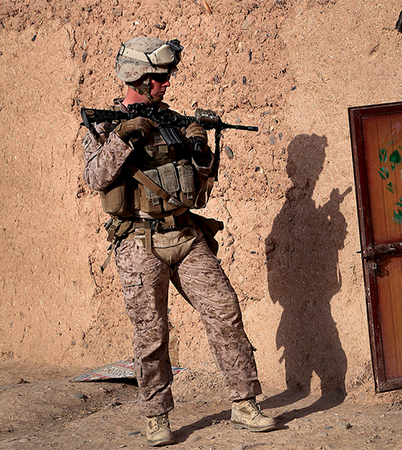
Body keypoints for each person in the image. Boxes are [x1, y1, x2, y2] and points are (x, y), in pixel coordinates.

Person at [82, 37, 276, 447]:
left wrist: (201, 148)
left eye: (167, 76)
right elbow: (96, 178)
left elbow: (200, 187)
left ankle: (244, 404)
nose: (166, 83)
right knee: (151, 333)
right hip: (139, 241)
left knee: (224, 311)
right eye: (160, 77)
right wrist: (123, 139)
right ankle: (156, 417)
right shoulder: (104, 125)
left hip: (186, 234)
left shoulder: (173, 121)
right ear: (139, 78)